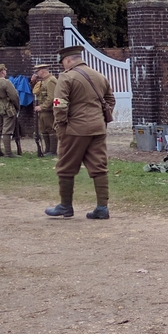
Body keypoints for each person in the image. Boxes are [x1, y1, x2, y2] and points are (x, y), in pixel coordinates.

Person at [45, 44, 114, 219]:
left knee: (66, 167)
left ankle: (65, 206)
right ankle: (102, 208)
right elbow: (110, 99)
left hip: (74, 129)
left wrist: (61, 125)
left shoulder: (66, 77)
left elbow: (58, 103)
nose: (63, 65)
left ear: (67, 60)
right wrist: (100, 116)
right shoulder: (99, 75)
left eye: (63, 62)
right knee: (99, 167)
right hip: (97, 128)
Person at [0, 64, 20, 157]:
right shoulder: (6, 82)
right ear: (2, 71)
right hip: (8, 108)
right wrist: (17, 107)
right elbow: (14, 96)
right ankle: (8, 153)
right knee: (7, 130)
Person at [32, 64, 58, 157]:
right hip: (43, 110)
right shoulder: (43, 81)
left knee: (50, 129)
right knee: (43, 130)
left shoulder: (51, 81)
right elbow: (37, 92)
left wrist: (42, 107)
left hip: (48, 110)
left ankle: (52, 150)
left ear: (42, 71)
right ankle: (47, 150)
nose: (36, 74)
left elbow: (52, 97)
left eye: (37, 71)